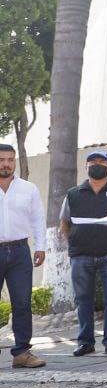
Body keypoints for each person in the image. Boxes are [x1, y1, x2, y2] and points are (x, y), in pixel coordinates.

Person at [59, 150, 107, 356]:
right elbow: (64, 223)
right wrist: (76, 240)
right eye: (92, 161)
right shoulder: (73, 194)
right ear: (86, 167)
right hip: (81, 254)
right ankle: (85, 342)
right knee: (82, 298)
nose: (97, 164)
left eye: (102, 161)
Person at [0, 144, 46, 368]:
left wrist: (41, 246)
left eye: (10, 159)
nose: (6, 164)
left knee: (22, 303)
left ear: (15, 162)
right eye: (1, 159)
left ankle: (22, 353)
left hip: (20, 251)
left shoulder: (28, 189)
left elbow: (38, 219)